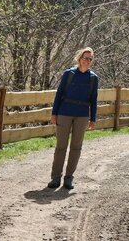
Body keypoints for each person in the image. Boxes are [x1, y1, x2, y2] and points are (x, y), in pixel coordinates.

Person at [48, 47, 99, 190]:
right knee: (61, 146)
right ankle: (56, 177)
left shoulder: (93, 78)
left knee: (76, 147)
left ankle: (69, 177)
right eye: (85, 58)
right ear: (79, 58)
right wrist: (54, 113)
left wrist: (93, 119)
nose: (87, 61)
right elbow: (59, 94)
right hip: (64, 112)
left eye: (90, 59)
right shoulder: (68, 74)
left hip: (82, 115)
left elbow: (93, 100)